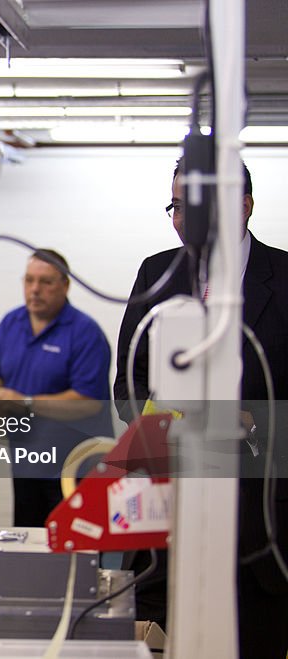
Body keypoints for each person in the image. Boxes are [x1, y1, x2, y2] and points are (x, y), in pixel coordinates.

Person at [114, 159, 288, 659]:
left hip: (257, 527)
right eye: (176, 205)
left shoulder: (284, 279)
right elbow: (128, 379)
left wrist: (253, 421)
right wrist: (159, 427)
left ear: (244, 206)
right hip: (164, 520)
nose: (183, 218)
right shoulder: (156, 272)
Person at [0, 249, 113, 527]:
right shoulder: (10, 324)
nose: (35, 289)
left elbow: (87, 402)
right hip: (27, 460)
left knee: (75, 548)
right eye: (29, 280)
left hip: (74, 467)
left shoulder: (85, 333)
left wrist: (25, 402)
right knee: (29, 545)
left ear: (65, 285)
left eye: (45, 282)